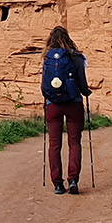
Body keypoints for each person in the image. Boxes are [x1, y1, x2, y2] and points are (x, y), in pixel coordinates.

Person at [40, 25, 90, 194]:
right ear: (68, 38)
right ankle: (73, 179)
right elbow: (82, 84)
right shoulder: (76, 58)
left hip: (52, 105)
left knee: (54, 144)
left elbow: (43, 86)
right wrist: (86, 92)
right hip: (73, 104)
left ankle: (57, 184)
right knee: (74, 143)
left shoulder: (47, 58)